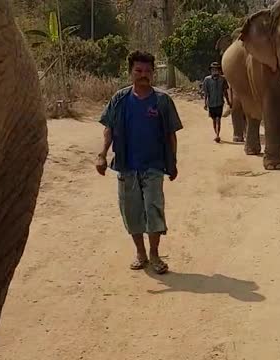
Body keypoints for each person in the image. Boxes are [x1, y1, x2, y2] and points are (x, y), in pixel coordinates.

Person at [95, 50, 183, 274]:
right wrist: (102, 154)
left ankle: (154, 255)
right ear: (130, 72)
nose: (143, 75)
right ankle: (140, 253)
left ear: (153, 74)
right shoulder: (119, 99)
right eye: (138, 71)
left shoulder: (162, 101)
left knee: (153, 210)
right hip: (126, 166)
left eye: (147, 71)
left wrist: (172, 162)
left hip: (154, 166)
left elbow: (171, 135)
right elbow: (109, 129)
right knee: (131, 212)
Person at [202, 62, 231, 143]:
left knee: (218, 119)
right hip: (211, 104)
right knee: (214, 120)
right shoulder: (207, 80)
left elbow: (225, 92)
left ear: (219, 71)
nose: (215, 72)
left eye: (217, 70)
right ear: (211, 71)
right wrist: (205, 104)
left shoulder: (223, 80)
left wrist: (228, 102)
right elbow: (206, 93)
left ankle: (217, 135)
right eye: (213, 70)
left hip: (219, 103)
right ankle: (216, 133)